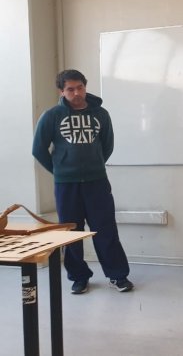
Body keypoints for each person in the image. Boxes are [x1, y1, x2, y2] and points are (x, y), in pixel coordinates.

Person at [32, 69, 133, 294]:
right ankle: (79, 277)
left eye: (80, 87)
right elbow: (38, 149)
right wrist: (59, 171)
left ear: (85, 87)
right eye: (70, 89)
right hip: (66, 185)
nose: (76, 93)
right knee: (71, 233)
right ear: (61, 91)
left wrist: (94, 165)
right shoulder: (51, 116)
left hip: (97, 182)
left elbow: (107, 145)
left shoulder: (101, 114)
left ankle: (118, 276)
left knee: (106, 230)